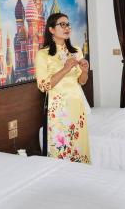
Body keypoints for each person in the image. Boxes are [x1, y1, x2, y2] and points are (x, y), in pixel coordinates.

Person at [35, 13, 91, 163]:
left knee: (79, 149)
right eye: (62, 24)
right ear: (52, 29)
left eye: (68, 24)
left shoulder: (76, 51)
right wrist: (65, 69)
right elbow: (43, 86)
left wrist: (85, 70)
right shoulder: (43, 54)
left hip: (77, 107)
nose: (67, 28)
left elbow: (82, 81)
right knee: (61, 151)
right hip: (58, 110)